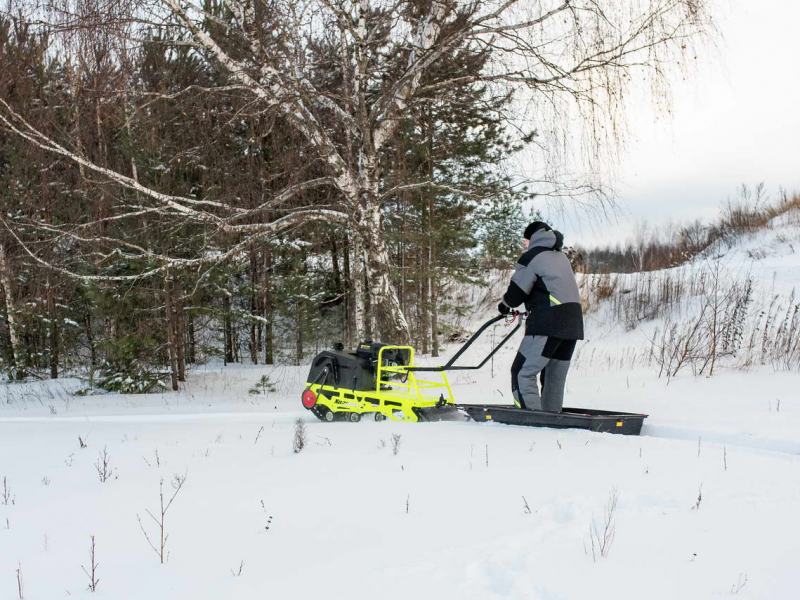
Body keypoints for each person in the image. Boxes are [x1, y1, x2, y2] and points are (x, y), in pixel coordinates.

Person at [498, 221, 584, 412]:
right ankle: (551, 419)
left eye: (525, 240)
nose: (525, 245)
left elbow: (516, 293)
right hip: (573, 323)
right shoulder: (560, 257)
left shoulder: (532, 256)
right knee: (554, 377)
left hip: (548, 322)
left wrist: (505, 305)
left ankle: (531, 421)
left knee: (522, 372)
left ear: (532, 238)